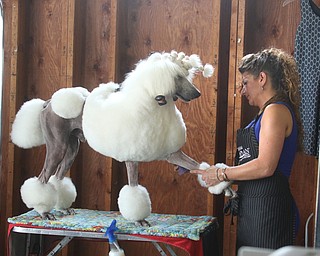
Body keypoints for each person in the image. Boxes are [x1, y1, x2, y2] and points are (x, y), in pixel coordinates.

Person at [191, 48, 303, 251]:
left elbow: (265, 167)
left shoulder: (275, 111)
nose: (242, 91)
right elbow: (252, 166)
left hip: (271, 214)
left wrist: (221, 173)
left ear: (262, 78)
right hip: (254, 211)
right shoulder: (261, 116)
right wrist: (210, 173)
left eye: (245, 82)